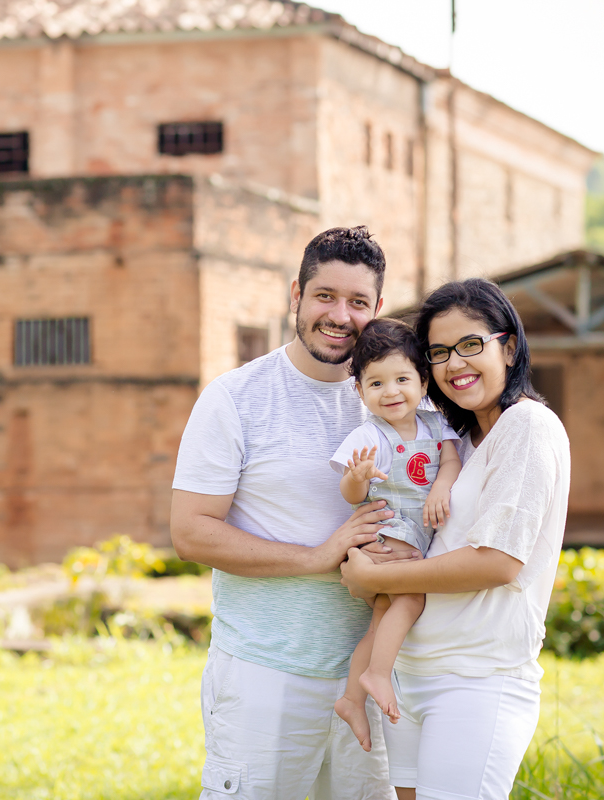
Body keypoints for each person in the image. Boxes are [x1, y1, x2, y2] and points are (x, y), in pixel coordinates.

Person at [171, 227, 411, 800]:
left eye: (357, 302)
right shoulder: (235, 397)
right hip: (265, 673)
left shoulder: (402, 397)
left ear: (377, 310)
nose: (339, 315)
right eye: (324, 296)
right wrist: (318, 556)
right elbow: (190, 533)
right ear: (295, 294)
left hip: (377, 674)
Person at [340, 278, 571, 800]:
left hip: (476, 679)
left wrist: (379, 575)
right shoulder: (460, 441)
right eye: (440, 352)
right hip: (410, 671)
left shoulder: (527, 425)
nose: (455, 364)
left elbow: (497, 563)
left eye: (471, 344)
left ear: (508, 347)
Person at [328, 318, 461, 751]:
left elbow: (451, 462)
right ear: (360, 391)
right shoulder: (368, 435)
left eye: (402, 378)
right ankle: (378, 675)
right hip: (388, 536)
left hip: (413, 538)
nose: (391, 392)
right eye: (376, 383)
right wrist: (358, 478)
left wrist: (441, 487)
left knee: (383, 620)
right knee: (410, 597)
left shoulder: (435, 424)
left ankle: (352, 699)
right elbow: (351, 493)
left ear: (423, 381)